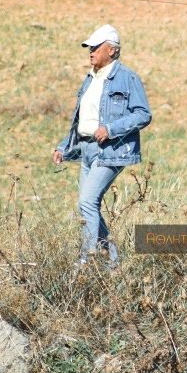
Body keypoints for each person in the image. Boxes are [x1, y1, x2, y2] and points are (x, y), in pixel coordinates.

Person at [53, 24, 152, 269]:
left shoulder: (127, 77)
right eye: (89, 47)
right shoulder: (89, 79)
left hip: (111, 150)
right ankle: (113, 262)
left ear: (112, 50)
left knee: (86, 202)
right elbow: (80, 120)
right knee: (89, 205)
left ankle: (87, 260)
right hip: (85, 150)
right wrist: (64, 147)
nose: (91, 51)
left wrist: (110, 129)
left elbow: (143, 114)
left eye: (96, 47)